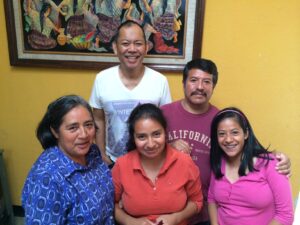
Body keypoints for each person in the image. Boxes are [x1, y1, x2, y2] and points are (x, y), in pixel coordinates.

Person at [160, 58, 291, 225]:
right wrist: (168, 148)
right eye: (193, 80)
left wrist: (280, 160)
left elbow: (245, 150)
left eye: (206, 82)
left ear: (213, 86)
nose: (200, 87)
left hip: (203, 215)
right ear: (184, 82)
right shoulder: (163, 114)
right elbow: (142, 151)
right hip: (167, 211)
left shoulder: (222, 119)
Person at [89, 20, 171, 167]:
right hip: (113, 162)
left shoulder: (160, 81)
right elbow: (98, 120)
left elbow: (165, 123)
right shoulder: (102, 79)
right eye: (125, 44)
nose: (132, 49)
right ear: (115, 48)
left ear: (146, 48)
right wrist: (101, 154)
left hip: (149, 162)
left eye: (138, 44)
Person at [22, 95, 114, 225]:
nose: (84, 134)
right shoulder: (46, 178)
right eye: (73, 128)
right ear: (55, 132)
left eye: (88, 125)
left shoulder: (92, 152)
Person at [112, 103, 203, 225]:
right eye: (142, 137)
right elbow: (111, 204)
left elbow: (197, 201)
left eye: (156, 134)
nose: (150, 144)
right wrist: (131, 222)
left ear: (165, 132)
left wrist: (176, 218)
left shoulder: (184, 162)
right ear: (133, 138)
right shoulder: (121, 165)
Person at [208, 107, 294, 225]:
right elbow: (212, 199)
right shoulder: (218, 162)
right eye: (222, 134)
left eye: (235, 132)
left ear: (246, 133)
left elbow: (285, 216)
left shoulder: (271, 164)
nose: (228, 139)